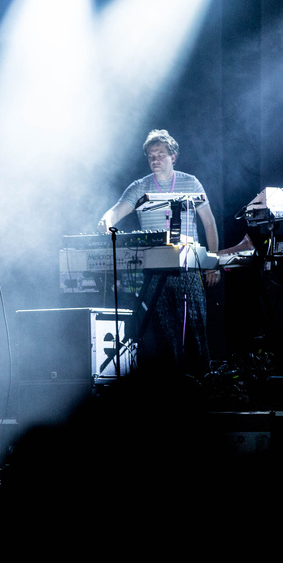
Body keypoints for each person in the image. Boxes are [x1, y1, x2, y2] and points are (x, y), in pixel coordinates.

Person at [97, 129, 221, 377]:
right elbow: (115, 212)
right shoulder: (139, 187)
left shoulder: (190, 182)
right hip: (153, 270)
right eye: (151, 156)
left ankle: (205, 388)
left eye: (160, 154)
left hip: (188, 267)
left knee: (195, 329)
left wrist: (212, 263)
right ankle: (173, 390)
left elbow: (209, 223)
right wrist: (105, 220)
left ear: (173, 157)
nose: (155, 159)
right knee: (163, 335)